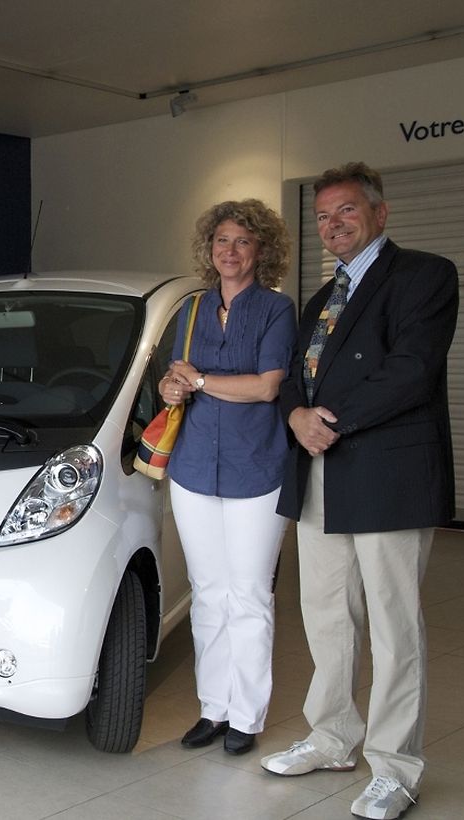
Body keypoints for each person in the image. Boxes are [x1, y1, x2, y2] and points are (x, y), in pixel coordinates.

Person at [261, 163, 458, 820]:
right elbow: (295, 376)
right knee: (326, 616)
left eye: (346, 210)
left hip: (386, 473)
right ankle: (332, 737)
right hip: (320, 472)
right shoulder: (321, 297)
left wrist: (328, 421)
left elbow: (411, 370)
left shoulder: (425, 276)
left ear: (379, 212)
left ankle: (396, 768)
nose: (333, 224)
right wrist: (295, 415)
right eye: (322, 216)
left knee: (395, 628)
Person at [160, 199, 296, 757]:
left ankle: (246, 715)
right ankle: (213, 707)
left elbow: (266, 387)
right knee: (209, 594)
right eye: (222, 240)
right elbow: (175, 377)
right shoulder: (192, 309)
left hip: (255, 468)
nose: (231, 250)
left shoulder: (276, 309)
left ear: (261, 250)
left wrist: (200, 380)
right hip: (193, 467)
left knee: (249, 595)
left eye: (243, 240)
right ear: (209, 249)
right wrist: (174, 387)